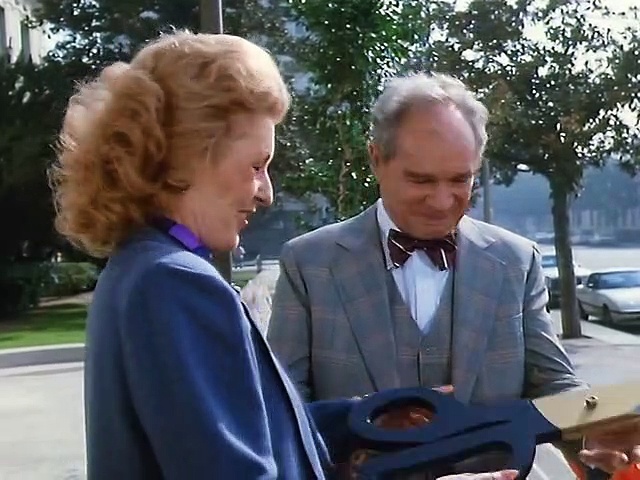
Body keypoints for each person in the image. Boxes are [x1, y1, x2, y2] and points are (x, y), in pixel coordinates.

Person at [49, 32, 519, 480]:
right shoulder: (175, 283)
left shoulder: (138, 268)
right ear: (185, 157)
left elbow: (255, 430)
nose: (266, 192)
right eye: (257, 165)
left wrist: (362, 416)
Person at [267, 73, 640, 477]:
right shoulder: (309, 263)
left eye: (461, 179)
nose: (442, 201)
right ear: (376, 159)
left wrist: (592, 436)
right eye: (421, 180)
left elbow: (554, 384)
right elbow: (277, 412)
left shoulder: (516, 261)